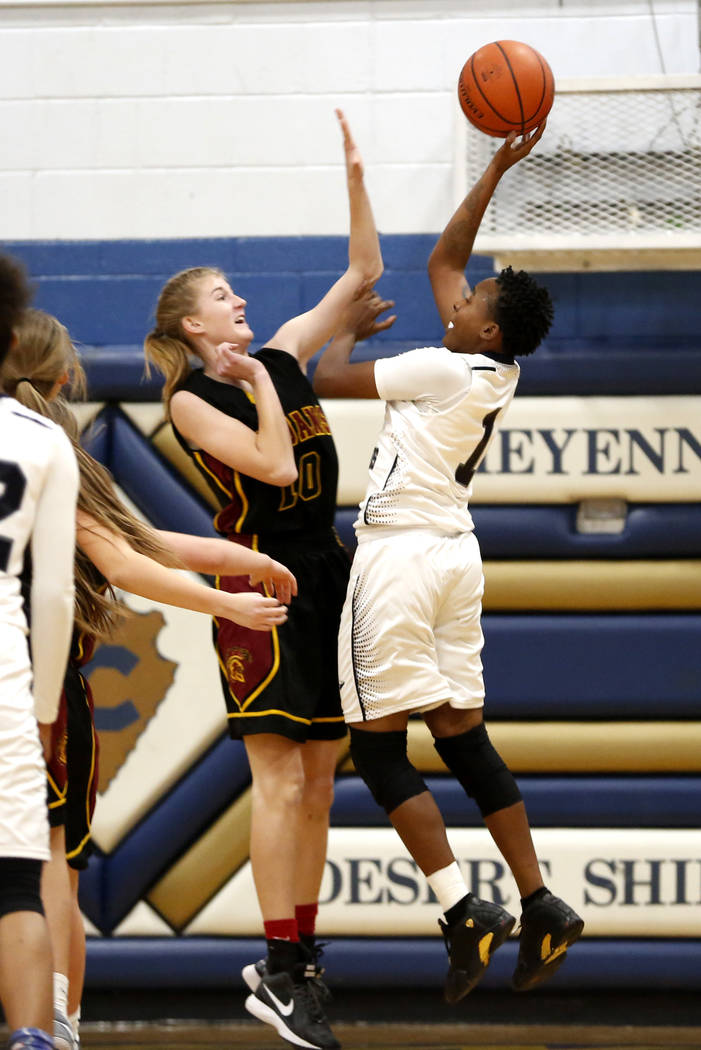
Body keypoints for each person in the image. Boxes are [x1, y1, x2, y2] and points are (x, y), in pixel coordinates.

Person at [312, 124, 584, 1003]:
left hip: (395, 558)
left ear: (485, 325)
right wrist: (496, 169)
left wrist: (347, 329)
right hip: (456, 559)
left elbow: (325, 379)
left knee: (378, 750)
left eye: (472, 300)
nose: (456, 297)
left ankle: (462, 908)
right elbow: (443, 259)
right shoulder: (493, 367)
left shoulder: (438, 366)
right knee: (462, 737)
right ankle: (539, 899)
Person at [143, 108, 383, 1050]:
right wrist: (258, 389)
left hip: (330, 571)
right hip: (260, 586)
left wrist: (358, 176)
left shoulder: (281, 352)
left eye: (238, 293)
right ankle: (278, 965)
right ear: (191, 324)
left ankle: (300, 960)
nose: (240, 303)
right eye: (224, 295)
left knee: (322, 782)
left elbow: (362, 272)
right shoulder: (193, 400)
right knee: (278, 781)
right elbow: (276, 472)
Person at [4, 306, 298, 1050]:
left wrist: (244, 560)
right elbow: (129, 561)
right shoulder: (50, 450)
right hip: (35, 688)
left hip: (35, 681)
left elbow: (142, 541)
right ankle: (55, 1025)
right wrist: (228, 592)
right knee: (46, 876)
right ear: (67, 377)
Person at [0, 256, 79, 1050]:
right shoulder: (41, 440)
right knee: (17, 885)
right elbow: (53, 597)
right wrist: (47, 711)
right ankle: (31, 1039)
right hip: (4, 674)